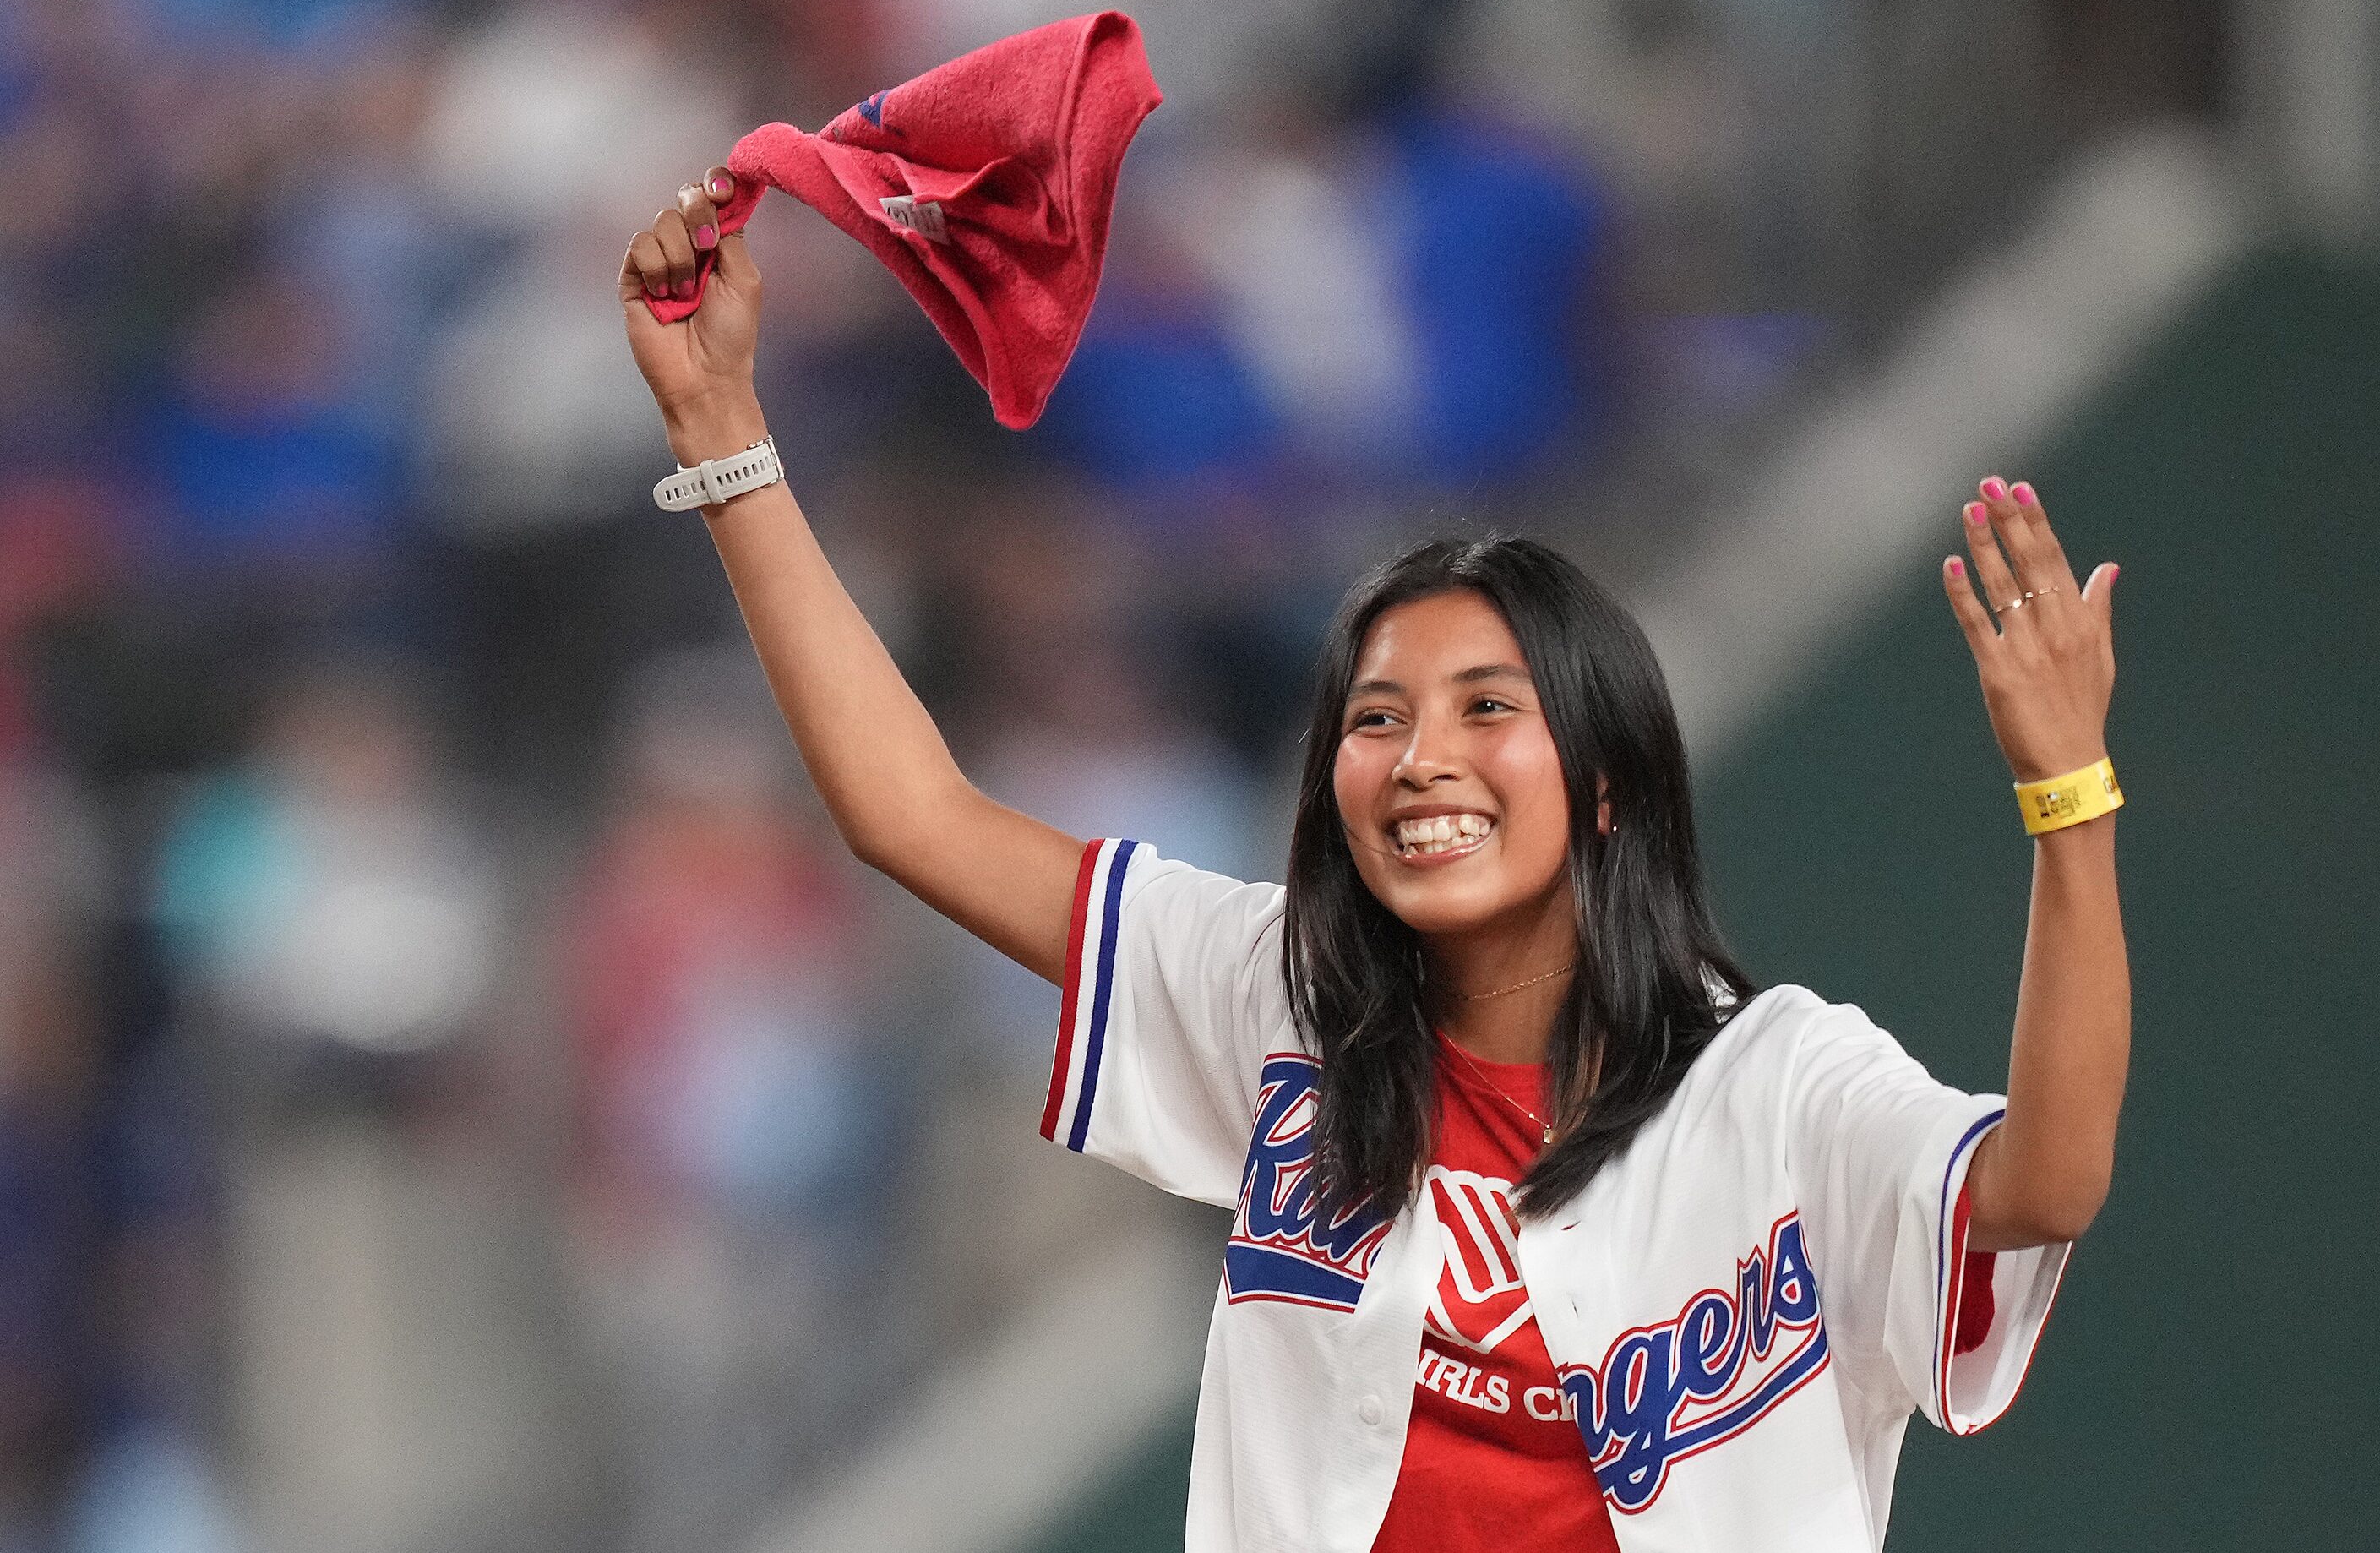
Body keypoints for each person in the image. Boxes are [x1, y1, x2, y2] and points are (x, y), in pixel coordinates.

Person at [618, 169, 2128, 1551]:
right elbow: (915, 816)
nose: (1420, 759)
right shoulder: (1279, 1000)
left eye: (1488, 710)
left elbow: (2042, 1183)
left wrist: (2070, 797)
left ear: (1606, 781)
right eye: (1377, 716)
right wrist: (723, 439)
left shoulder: (1777, 1083)